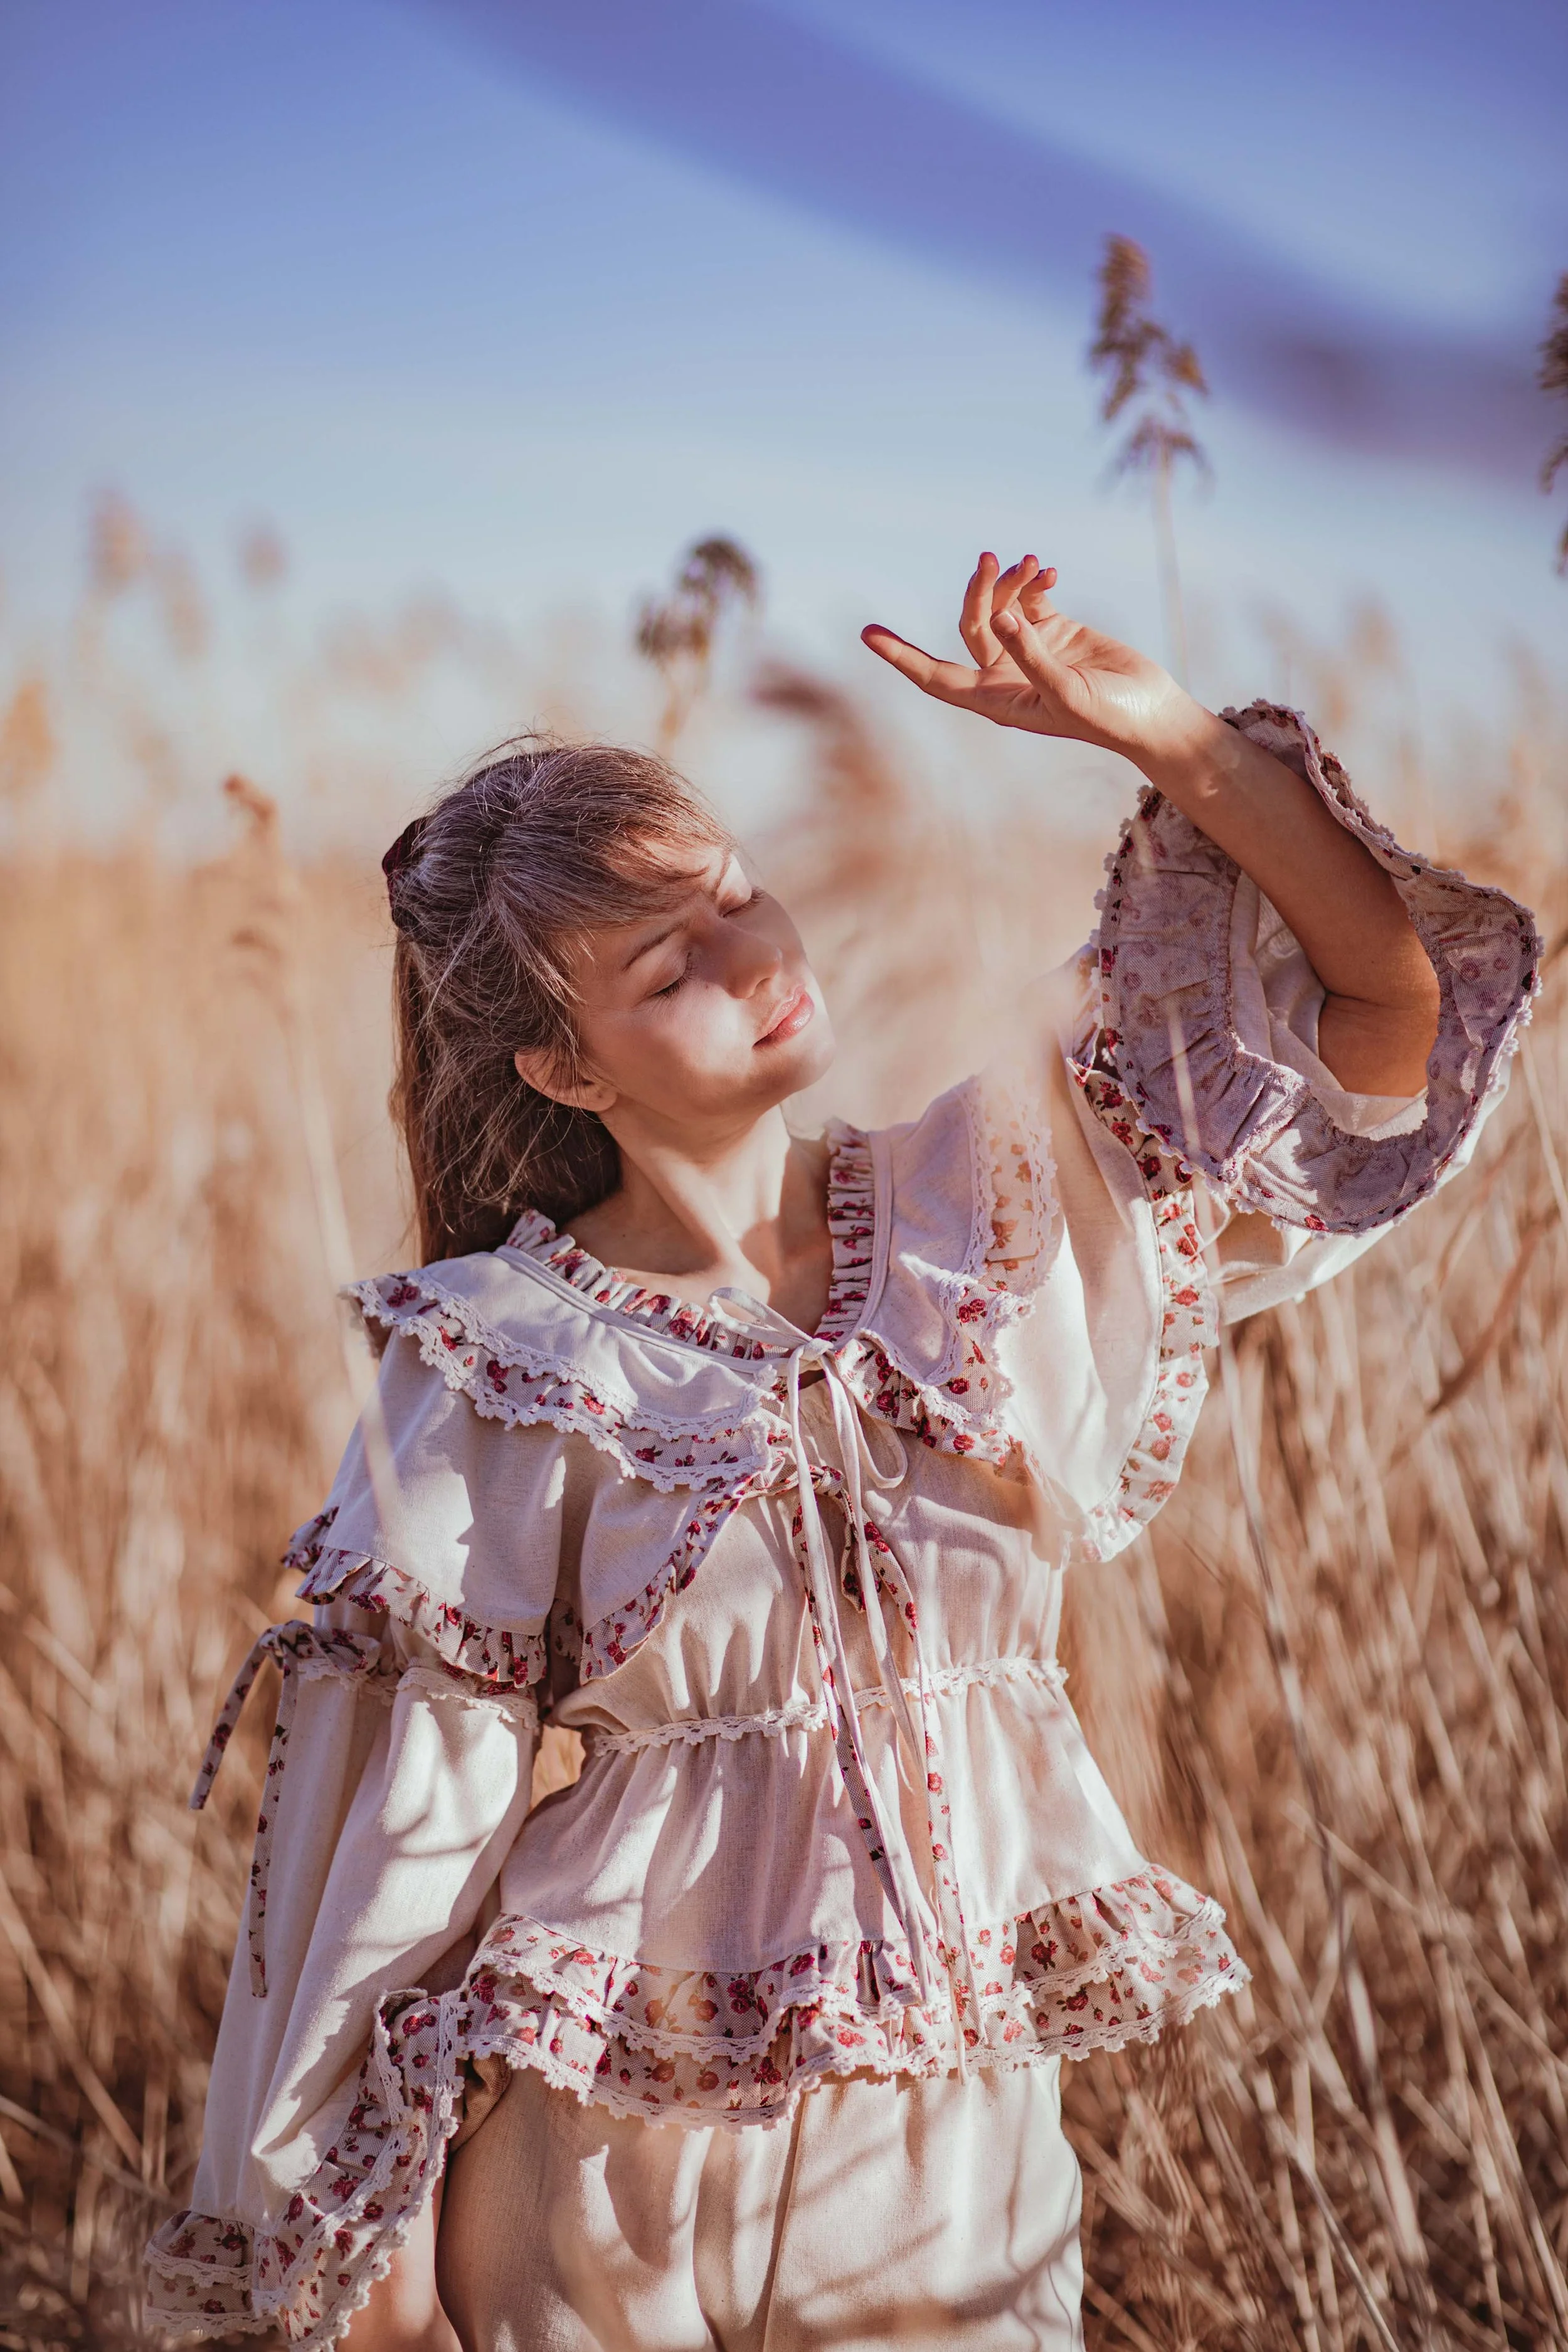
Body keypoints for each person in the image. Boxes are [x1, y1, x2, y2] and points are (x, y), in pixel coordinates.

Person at [147, 556, 1536, 2350]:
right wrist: (365, 2277)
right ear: (565, 1072)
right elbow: (392, 1839)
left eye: (738, 894)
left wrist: (1174, 740)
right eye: (671, 961)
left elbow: (1383, 1014)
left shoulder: (1006, 1195)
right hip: (602, 2186)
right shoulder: (500, 1358)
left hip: (954, 2170)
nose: (754, 955)